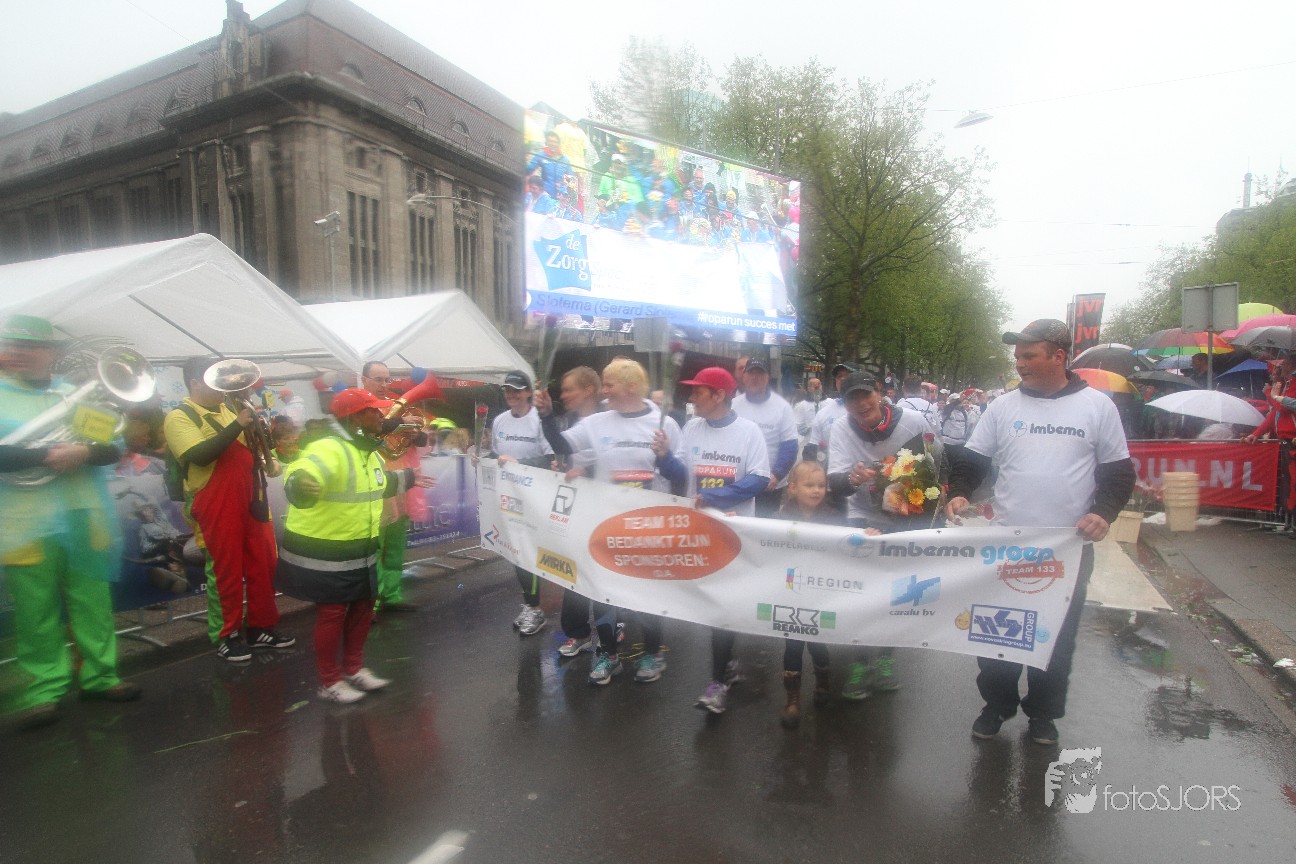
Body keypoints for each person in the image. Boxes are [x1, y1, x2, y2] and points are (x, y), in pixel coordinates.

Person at [944, 319, 1135, 746]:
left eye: (1029, 355)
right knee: (996, 631)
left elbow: (1119, 473)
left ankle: (1043, 714)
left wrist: (1103, 513)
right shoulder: (1003, 407)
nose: (1020, 363)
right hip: (1006, 545)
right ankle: (996, 705)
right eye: (1017, 356)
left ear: (1058, 356)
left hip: (1067, 548)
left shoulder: (1097, 407)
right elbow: (973, 461)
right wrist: (959, 491)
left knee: (1056, 638)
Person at [0, 314, 141, 729]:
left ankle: (101, 677)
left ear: (52, 353)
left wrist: (83, 452)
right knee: (35, 611)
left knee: (93, 603)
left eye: (32, 346)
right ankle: (43, 690)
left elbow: (112, 448)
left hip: (84, 515)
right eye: (14, 345)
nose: (21, 353)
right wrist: (45, 455)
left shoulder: (75, 396)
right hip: (24, 524)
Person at [276, 388, 435, 703]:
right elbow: (299, 470)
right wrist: (298, 483)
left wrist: (409, 478)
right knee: (333, 613)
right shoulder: (329, 447)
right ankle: (329, 682)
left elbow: (377, 485)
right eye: (373, 411)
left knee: (363, 608)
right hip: (329, 548)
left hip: (361, 547)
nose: (381, 416)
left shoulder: (368, 452)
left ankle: (353, 669)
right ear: (356, 417)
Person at [545, 359, 681, 684]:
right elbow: (561, 444)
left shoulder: (665, 424)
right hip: (607, 525)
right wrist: (546, 415)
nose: (603, 391)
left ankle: (652, 654)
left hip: (650, 527)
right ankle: (608, 654)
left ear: (631, 387)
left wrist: (666, 457)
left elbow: (681, 478)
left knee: (646, 595)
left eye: (609, 384)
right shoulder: (597, 422)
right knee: (604, 592)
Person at [652, 367, 770, 714]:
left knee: (722, 606)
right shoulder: (691, 428)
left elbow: (759, 479)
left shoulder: (749, 432)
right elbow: (681, 477)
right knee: (711, 606)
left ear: (719, 395)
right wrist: (665, 457)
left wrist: (716, 497)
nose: (691, 398)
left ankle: (717, 681)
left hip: (733, 533)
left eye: (698, 391)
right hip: (698, 531)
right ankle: (727, 664)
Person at [165, 357, 292, 662]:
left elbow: (254, 449)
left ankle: (261, 627)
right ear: (194, 383)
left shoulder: (230, 408)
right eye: (215, 381)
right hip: (214, 501)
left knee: (264, 562)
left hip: (252, 494)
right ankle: (227, 635)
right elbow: (200, 455)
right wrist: (238, 424)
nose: (223, 389)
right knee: (226, 569)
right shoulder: (179, 417)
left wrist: (267, 450)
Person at [827, 372, 938, 697]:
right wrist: (853, 479)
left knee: (897, 594)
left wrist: (916, 488)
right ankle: (860, 662)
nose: (861, 404)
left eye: (866, 395)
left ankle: (887, 658)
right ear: (845, 404)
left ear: (880, 394)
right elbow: (836, 482)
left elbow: (936, 463)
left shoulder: (913, 421)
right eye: (852, 399)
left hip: (906, 516)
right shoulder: (840, 428)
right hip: (862, 515)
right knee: (861, 593)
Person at [534, 366, 611, 659]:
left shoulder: (610, 419)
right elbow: (561, 444)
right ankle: (578, 632)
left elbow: (618, 461)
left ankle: (610, 635)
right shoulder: (577, 422)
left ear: (588, 390)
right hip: (579, 507)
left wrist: (587, 471)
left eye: (569, 389)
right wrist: (546, 416)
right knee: (575, 568)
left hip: (606, 509)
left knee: (602, 574)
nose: (563, 395)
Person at [488, 370, 554, 635]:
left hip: (535, 496)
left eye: (516, 390)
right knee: (517, 552)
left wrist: (521, 464)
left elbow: (551, 460)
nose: (511, 395)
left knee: (529, 553)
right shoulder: (500, 421)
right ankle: (530, 604)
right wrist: (482, 459)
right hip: (509, 496)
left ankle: (536, 608)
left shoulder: (538, 420)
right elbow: (496, 454)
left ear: (528, 393)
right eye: (507, 390)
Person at [772, 461, 837, 728]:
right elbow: (756, 539)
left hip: (820, 595)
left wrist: (866, 535)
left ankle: (822, 684)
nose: (816, 490)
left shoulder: (833, 518)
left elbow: (851, 542)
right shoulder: (778, 520)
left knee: (819, 644)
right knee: (793, 645)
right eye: (809, 485)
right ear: (793, 488)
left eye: (821, 485)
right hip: (791, 595)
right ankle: (793, 699)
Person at [361, 361, 421, 613]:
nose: (384, 384)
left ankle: (392, 595)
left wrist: (414, 432)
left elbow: (422, 439)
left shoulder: (396, 405)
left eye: (387, 379)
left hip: (400, 479)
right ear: (364, 379)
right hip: (376, 482)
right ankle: (373, 601)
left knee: (396, 543)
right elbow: (367, 431)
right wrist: (401, 421)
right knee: (376, 545)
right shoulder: (359, 406)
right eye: (378, 379)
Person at [732, 358, 799, 516]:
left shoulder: (782, 407)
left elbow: (790, 446)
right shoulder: (733, 405)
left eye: (760, 373)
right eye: (751, 373)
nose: (755, 378)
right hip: (738, 483)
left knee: (764, 525)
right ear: (744, 376)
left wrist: (776, 475)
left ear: (768, 377)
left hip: (769, 485)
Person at [1243, 352, 1296, 531]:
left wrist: (1271, 394)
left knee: (1292, 481)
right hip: (1285, 440)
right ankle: (1287, 520)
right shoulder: (1287, 385)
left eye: (1281, 366)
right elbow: (1275, 413)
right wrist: (1256, 433)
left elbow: (1284, 408)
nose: (1276, 370)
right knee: (1287, 482)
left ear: (1290, 366)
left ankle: (1290, 521)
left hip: (1291, 440)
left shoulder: (1292, 384)